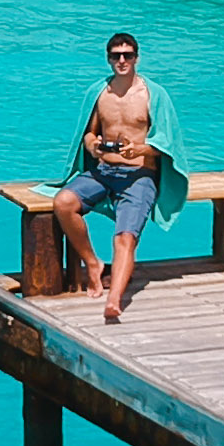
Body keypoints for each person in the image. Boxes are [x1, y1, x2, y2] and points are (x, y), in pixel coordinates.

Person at [54, 30, 189, 324]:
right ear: (108, 59)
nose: (122, 60)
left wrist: (138, 149)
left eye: (127, 55)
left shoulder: (153, 94)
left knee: (125, 237)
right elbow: (88, 132)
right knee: (63, 202)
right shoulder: (99, 92)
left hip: (139, 174)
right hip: (102, 172)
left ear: (137, 58)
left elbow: (167, 143)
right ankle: (93, 263)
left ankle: (114, 299)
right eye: (116, 56)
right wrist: (93, 145)